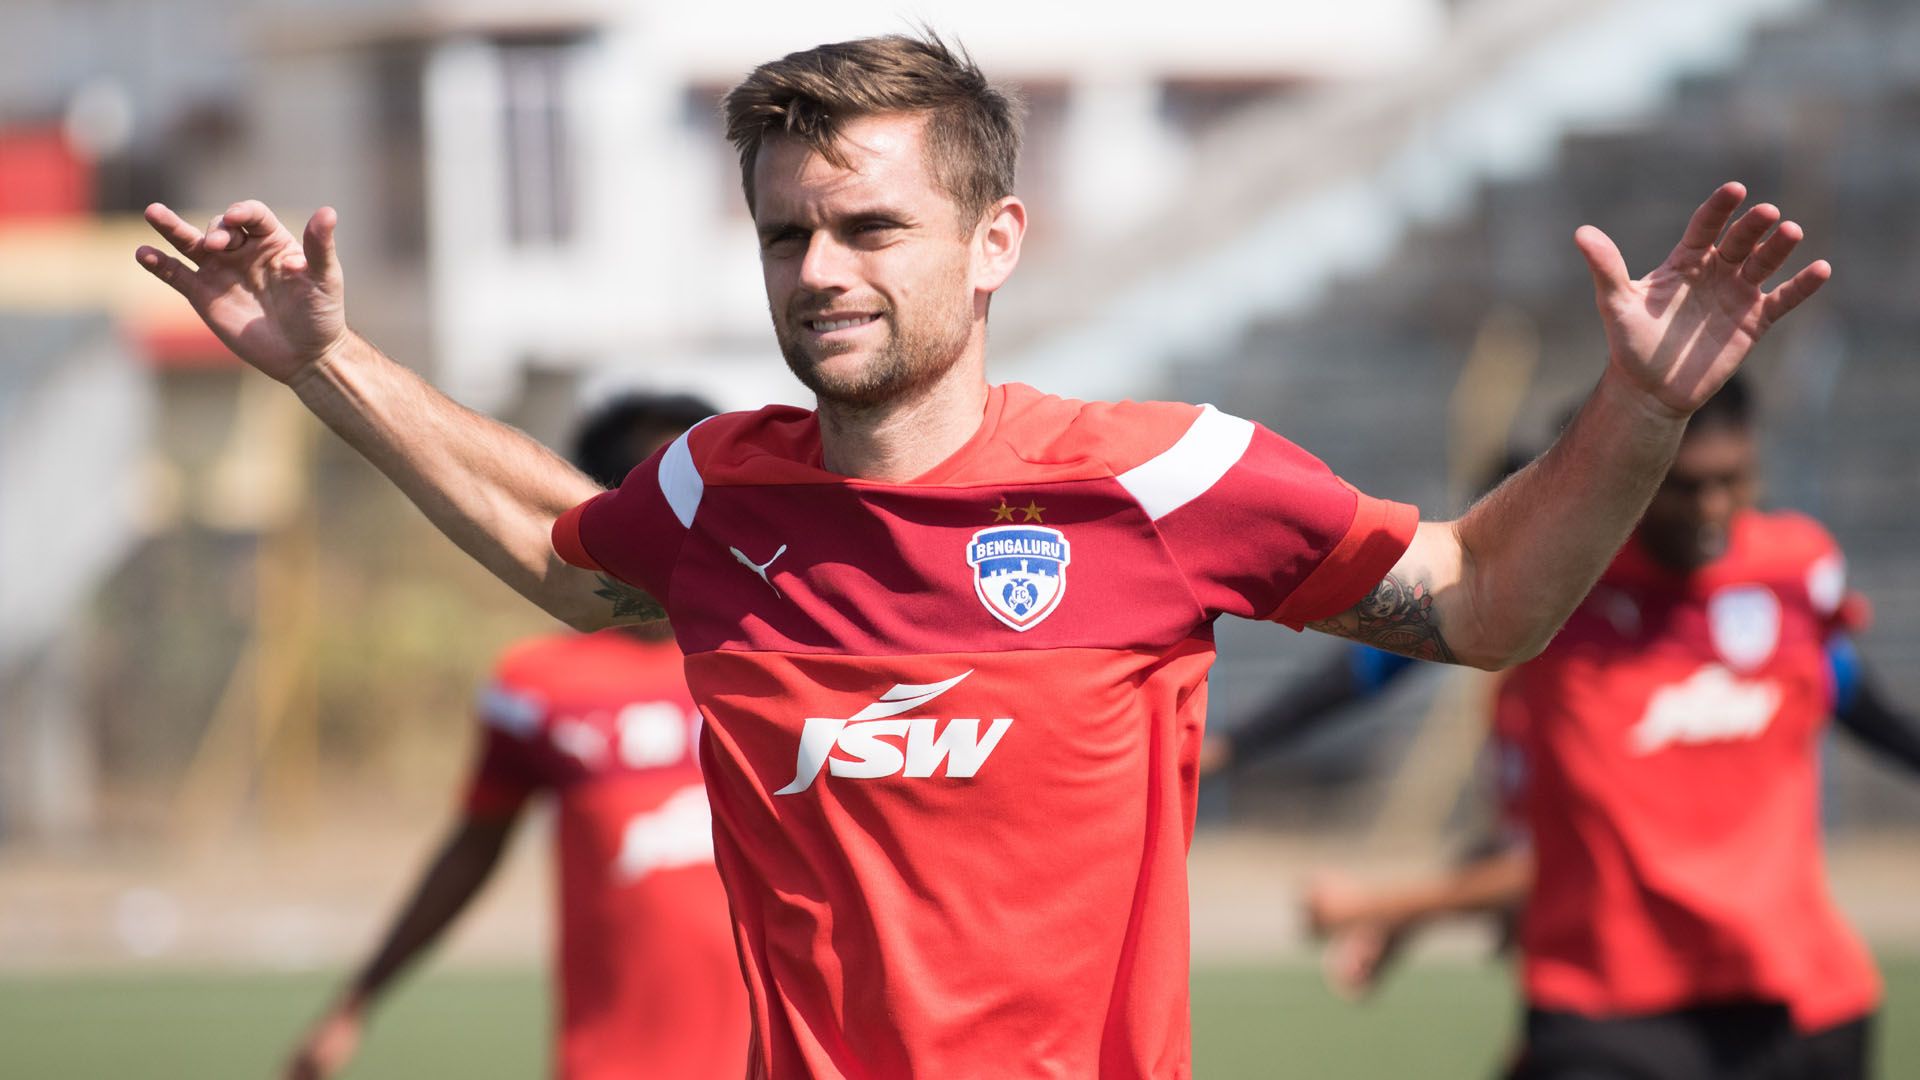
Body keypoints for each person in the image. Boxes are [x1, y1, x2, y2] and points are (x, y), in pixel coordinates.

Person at [135, 32, 1834, 1078]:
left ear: (996, 239)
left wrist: (1639, 409)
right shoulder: (726, 499)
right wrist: (320, 363)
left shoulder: (1169, 477)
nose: (819, 270)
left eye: (872, 225)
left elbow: (1480, 602)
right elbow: (564, 553)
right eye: (787, 233)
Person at [1275, 379, 1920, 1078]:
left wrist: (1386, 906)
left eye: (1732, 480)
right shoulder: (1549, 657)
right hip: (1611, 1013)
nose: (1712, 507)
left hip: (1790, 1005)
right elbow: (1538, 843)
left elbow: (1862, 705)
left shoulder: (1789, 578)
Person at [282, 393, 749, 1080]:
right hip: (611, 1064)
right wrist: (358, 1000)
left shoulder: (773, 664)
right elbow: (473, 850)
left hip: (782, 1057)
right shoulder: (538, 688)